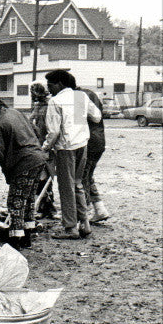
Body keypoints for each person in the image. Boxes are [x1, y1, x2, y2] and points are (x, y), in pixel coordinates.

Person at [0, 91, 47, 250]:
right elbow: (36, 131)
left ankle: (16, 239)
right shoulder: (15, 112)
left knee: (15, 202)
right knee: (28, 200)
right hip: (39, 158)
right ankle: (27, 236)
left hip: (24, 163)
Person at [41, 69, 102, 240]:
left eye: (50, 85)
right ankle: (85, 224)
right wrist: (79, 119)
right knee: (78, 185)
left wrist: (45, 148)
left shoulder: (56, 101)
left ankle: (70, 229)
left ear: (60, 83)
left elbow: (53, 132)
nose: (49, 89)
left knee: (66, 189)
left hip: (65, 149)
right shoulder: (79, 96)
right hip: (82, 144)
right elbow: (96, 117)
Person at [77, 83, 111, 224]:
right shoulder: (92, 97)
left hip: (88, 142)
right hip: (99, 141)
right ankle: (99, 209)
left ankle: (83, 215)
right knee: (87, 176)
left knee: (82, 178)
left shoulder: (79, 98)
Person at [29, 82, 56, 219]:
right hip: (39, 145)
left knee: (46, 176)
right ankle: (44, 206)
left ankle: (48, 207)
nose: (32, 96)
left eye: (34, 93)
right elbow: (31, 122)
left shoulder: (48, 106)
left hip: (47, 145)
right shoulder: (38, 106)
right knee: (41, 176)